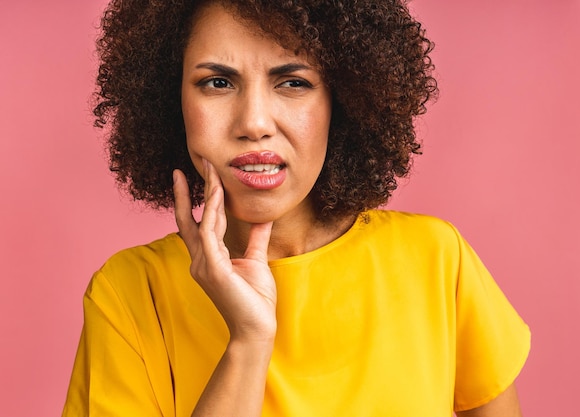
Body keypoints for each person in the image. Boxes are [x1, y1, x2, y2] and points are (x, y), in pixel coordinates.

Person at [63, 0, 530, 416]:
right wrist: (247, 344)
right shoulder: (128, 295)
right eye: (218, 82)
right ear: (172, 101)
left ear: (341, 101)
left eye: (292, 82)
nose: (254, 123)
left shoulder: (436, 261)